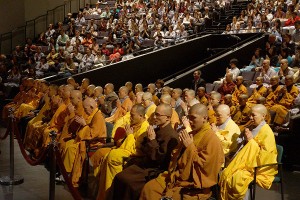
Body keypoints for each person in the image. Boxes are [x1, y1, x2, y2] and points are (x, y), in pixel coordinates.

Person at [140, 103, 224, 200]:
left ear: (204, 118)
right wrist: (180, 147)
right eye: (189, 118)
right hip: (177, 176)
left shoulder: (212, 140)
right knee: (150, 188)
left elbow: (206, 167)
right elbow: (176, 157)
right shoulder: (191, 134)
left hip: (192, 184)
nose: (190, 122)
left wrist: (190, 147)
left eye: (193, 118)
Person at [107, 103, 180, 200]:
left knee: (128, 182)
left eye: (158, 115)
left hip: (155, 170)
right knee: (119, 177)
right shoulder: (157, 129)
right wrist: (147, 139)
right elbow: (143, 148)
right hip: (145, 163)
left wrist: (152, 140)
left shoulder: (172, 136)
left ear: (168, 118)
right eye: (154, 114)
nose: (154, 117)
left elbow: (160, 160)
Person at [219, 104, 278, 200]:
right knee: (226, 174)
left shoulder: (267, 132)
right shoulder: (251, 126)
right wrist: (244, 138)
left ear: (263, 116)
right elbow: (242, 144)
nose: (250, 117)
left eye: (253, 115)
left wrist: (251, 141)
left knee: (238, 179)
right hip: (245, 162)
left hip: (257, 166)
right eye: (250, 115)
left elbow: (266, 155)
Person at [96, 104, 150, 200]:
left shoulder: (145, 129)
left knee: (112, 156)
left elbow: (135, 150)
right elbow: (124, 143)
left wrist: (129, 136)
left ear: (141, 116)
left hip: (134, 157)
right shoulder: (135, 125)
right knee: (105, 155)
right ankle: (104, 193)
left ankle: (110, 193)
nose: (130, 118)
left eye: (132, 115)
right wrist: (126, 137)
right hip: (124, 151)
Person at [62, 97, 107, 187]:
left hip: (95, 143)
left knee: (72, 149)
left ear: (91, 107)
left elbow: (92, 134)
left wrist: (84, 124)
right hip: (87, 140)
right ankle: (67, 173)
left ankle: (71, 175)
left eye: (86, 109)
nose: (85, 111)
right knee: (68, 144)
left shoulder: (98, 116)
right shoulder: (93, 114)